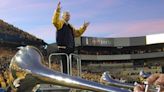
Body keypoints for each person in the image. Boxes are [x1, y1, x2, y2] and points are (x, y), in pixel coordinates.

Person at [52, 2, 89, 74]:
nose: (68, 16)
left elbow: (77, 33)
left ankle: (68, 79)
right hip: (63, 48)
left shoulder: (70, 26)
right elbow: (54, 21)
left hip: (70, 48)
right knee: (64, 66)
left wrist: (84, 27)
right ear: (63, 16)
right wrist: (58, 10)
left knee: (69, 66)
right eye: (66, 15)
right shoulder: (60, 24)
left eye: (69, 15)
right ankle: (64, 80)